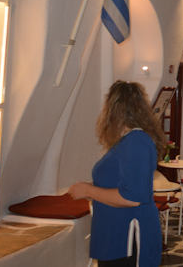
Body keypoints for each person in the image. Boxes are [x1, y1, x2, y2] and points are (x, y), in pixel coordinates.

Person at [69, 81, 166, 267]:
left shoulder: (136, 141)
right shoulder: (126, 142)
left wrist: (88, 190)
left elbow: (132, 197)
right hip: (114, 235)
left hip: (127, 238)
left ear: (114, 110)